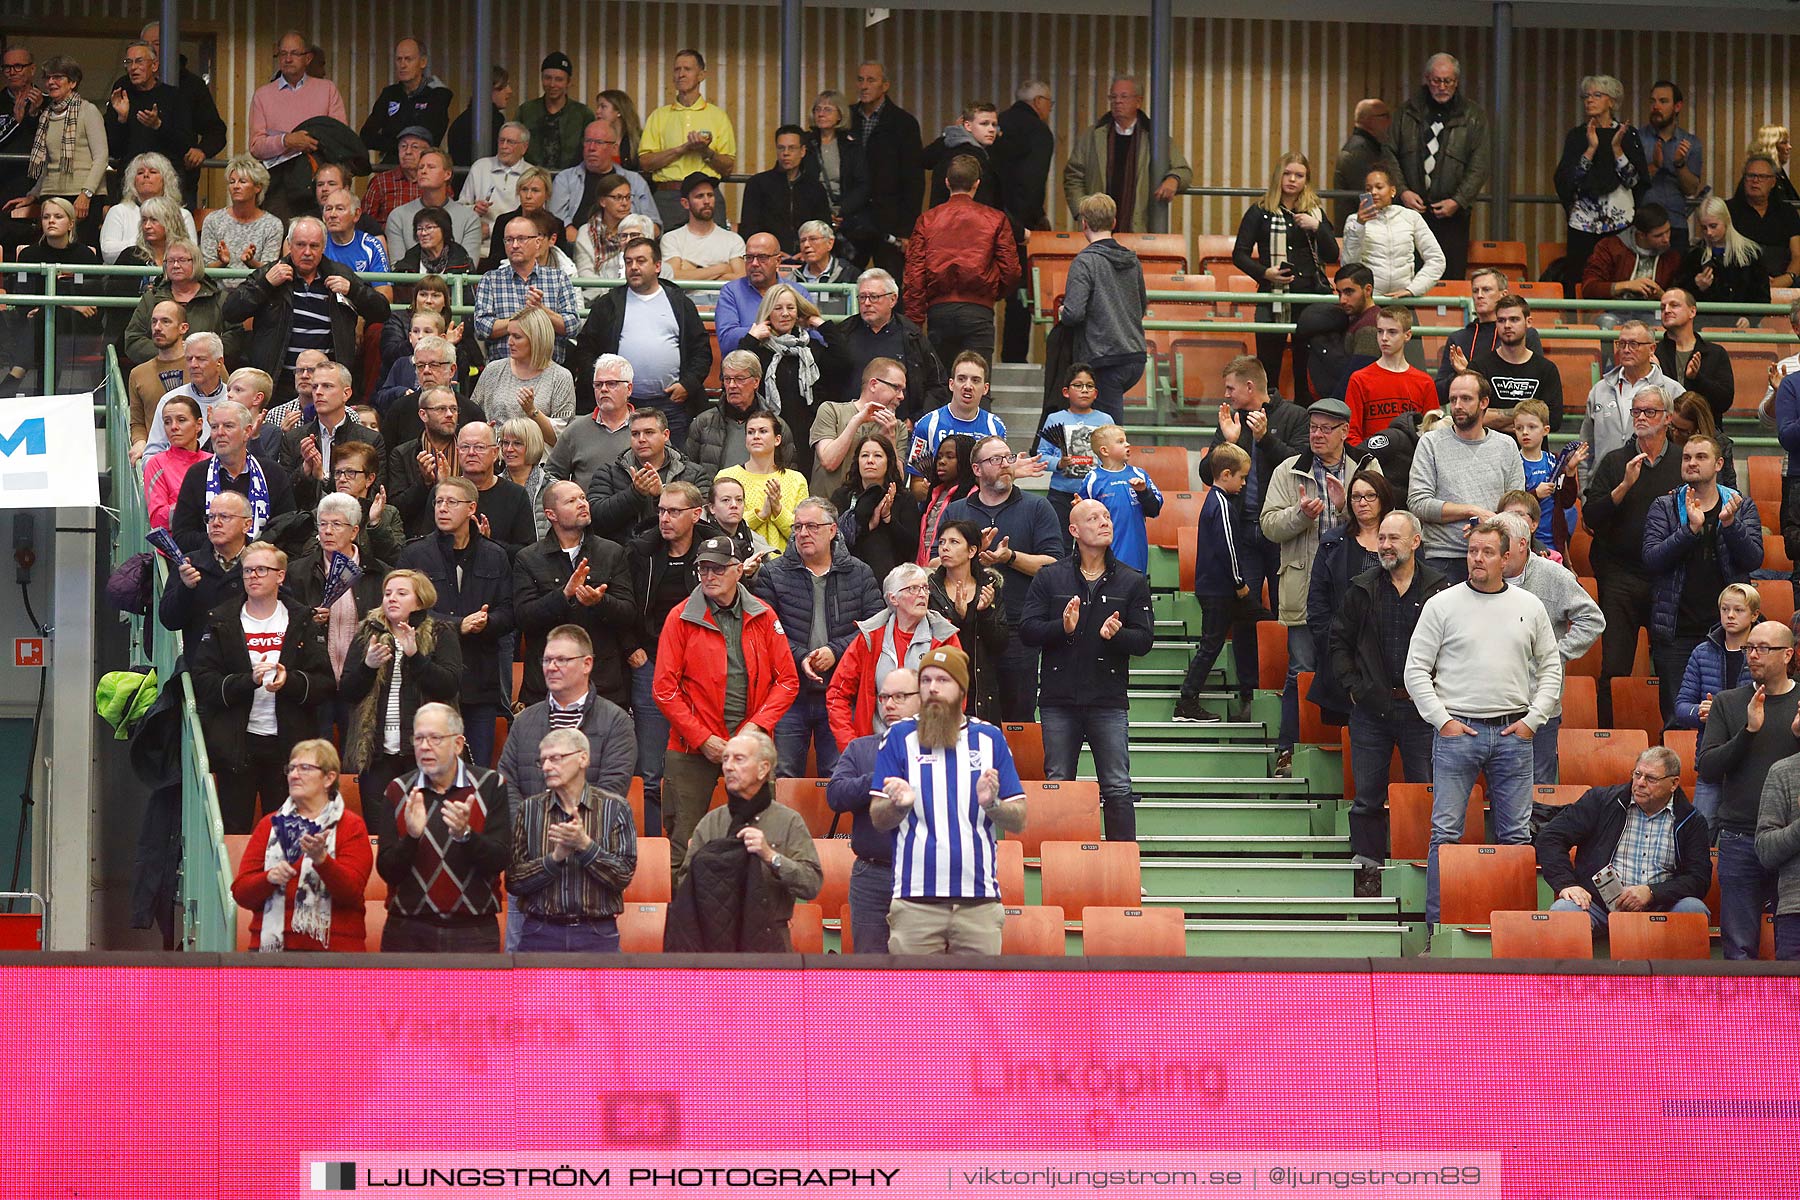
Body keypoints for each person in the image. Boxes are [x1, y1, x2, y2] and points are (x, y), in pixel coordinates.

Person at [1405, 516, 1563, 924]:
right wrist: (1442, 721)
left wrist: (1534, 720)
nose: (1477, 558)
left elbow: (1551, 669)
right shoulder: (1442, 604)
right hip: (1458, 732)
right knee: (1445, 835)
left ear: (1507, 558)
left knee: (1515, 837)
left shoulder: (1530, 606)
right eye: (1473, 551)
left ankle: (1516, 930)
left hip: (1515, 733)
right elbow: (1415, 670)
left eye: (1487, 552)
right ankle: (1436, 930)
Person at [652, 535, 799, 877]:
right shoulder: (680, 618)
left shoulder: (763, 615)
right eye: (703, 567)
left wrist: (756, 727)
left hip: (751, 743)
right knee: (682, 845)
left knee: (762, 839)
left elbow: (788, 680)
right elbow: (663, 688)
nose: (709, 575)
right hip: (691, 748)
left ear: (738, 571)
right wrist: (703, 738)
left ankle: (758, 921)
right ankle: (683, 924)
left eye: (718, 568)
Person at [869, 645, 1027, 955]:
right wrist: (898, 805)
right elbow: (877, 817)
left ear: (962, 690)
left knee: (979, 1003)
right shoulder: (899, 737)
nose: (933, 689)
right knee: (915, 1002)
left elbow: (1020, 818)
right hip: (915, 902)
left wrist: (992, 804)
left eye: (943, 680)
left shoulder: (989, 738)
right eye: (926, 680)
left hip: (978, 903)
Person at [1325, 509, 1447, 893]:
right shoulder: (1361, 588)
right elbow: (1338, 643)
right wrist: (1354, 687)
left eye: (1394, 538)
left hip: (1422, 711)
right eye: (1381, 538)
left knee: (1424, 792)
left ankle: (1423, 869)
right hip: (1372, 710)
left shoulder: (1441, 590)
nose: (1385, 545)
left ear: (1416, 542)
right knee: (1367, 798)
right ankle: (1368, 871)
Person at [1261, 398, 1383, 777]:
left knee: (1361, 669)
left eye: (1326, 428)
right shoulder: (1288, 469)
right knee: (1301, 669)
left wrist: (1344, 507)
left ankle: (1350, 751)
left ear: (1345, 432)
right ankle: (1289, 751)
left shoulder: (1366, 466)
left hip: (1357, 587)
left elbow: (1381, 515)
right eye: (1313, 427)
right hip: (1303, 586)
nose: (1316, 434)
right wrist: (1301, 515)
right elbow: (1268, 525)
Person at [189, 540, 334, 834]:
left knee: (289, 832)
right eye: (247, 571)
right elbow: (203, 681)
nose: (253, 576)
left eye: (261, 570)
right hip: (237, 745)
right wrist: (248, 681)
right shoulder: (222, 620)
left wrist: (289, 680)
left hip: (288, 745)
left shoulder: (300, 619)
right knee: (234, 831)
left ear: (280, 576)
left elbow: (324, 682)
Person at [744, 495, 883, 776]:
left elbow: (875, 627)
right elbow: (764, 630)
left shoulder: (859, 573)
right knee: (782, 776)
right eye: (797, 527)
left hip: (841, 693)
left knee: (840, 774)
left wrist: (835, 651)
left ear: (833, 530)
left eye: (812, 526)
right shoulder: (774, 574)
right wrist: (802, 657)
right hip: (788, 694)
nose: (803, 533)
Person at [1697, 620, 1800, 959]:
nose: (1752, 655)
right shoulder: (1728, 703)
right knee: (1739, 949)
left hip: (1793, 841)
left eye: (1762, 648)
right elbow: (1709, 767)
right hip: (1740, 837)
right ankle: (1743, 1011)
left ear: (1788, 654)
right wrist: (1748, 732)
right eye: (1748, 648)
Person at [373, 702, 511, 953]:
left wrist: (466, 836)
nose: (425, 746)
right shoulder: (398, 790)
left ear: (458, 744)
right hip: (408, 931)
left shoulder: (491, 785)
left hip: (473, 932)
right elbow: (387, 871)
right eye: (419, 738)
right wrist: (412, 838)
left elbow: (499, 860)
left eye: (435, 738)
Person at [397, 477, 518, 764]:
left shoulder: (495, 555)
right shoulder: (415, 554)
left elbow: (510, 611)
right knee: (431, 770)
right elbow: (404, 612)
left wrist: (486, 622)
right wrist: (456, 625)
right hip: (429, 682)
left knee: (478, 773)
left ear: (471, 508)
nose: (442, 508)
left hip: (480, 680)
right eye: (439, 501)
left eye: (452, 502)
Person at [943, 434, 1063, 722]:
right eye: (995, 460)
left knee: (1018, 715)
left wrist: (1009, 558)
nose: (1006, 465)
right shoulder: (957, 511)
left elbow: (1054, 566)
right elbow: (936, 562)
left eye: (1009, 458)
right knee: (965, 714)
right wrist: (969, 554)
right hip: (965, 627)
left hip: (1019, 628)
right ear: (976, 469)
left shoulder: (1037, 508)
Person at [1642, 432, 1761, 722]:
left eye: (1701, 457)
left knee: (1731, 716)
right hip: (1676, 630)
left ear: (1719, 463)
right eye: (1686, 457)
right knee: (1677, 717)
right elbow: (1652, 559)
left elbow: (1753, 558)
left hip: (1728, 632)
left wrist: (1731, 526)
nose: (1691, 463)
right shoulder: (1665, 506)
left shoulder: (1739, 505)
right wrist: (1688, 531)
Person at [669, 729, 821, 951]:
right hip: (715, 945)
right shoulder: (710, 823)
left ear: (763, 769)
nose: (729, 767)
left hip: (770, 943)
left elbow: (811, 885)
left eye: (739, 759)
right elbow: (684, 884)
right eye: (725, 759)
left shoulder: (788, 821)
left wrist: (771, 856)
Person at [1583, 385, 1683, 725]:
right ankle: (1607, 736)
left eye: (1649, 412)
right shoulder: (1615, 461)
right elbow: (1591, 518)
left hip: (1667, 577)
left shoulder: (1683, 462)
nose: (1640, 417)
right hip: (1620, 577)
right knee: (1613, 667)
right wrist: (1623, 486)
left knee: (1672, 667)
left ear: (1667, 418)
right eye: (1636, 411)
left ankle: (1673, 736)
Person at [1537, 745, 1713, 932]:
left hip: (1662, 908)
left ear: (1674, 783)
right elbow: (1550, 837)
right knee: (1564, 911)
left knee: (1693, 910)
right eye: (1637, 774)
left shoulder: (1692, 821)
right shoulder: (1601, 801)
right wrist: (1567, 884)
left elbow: (1698, 879)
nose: (1640, 783)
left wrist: (1652, 893)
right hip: (1598, 906)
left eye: (1651, 778)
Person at [222, 216, 391, 404]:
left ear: (323, 248)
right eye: (301, 245)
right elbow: (230, 312)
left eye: (314, 246)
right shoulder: (270, 274)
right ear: (289, 245)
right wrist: (265, 284)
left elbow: (382, 312)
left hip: (327, 385)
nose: (307, 252)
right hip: (278, 381)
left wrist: (354, 290)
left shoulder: (340, 274)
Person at [231, 738, 373, 952]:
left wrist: (322, 861)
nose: (294, 775)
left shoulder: (351, 826)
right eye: (291, 768)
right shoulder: (269, 825)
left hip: (335, 954)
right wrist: (268, 878)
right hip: (272, 953)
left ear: (329, 778)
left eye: (305, 768)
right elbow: (241, 892)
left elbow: (351, 893)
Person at [1495, 506, 1603, 786]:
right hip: (1492, 703)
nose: (1496, 552)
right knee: (1501, 787)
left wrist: (1556, 653)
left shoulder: (1553, 576)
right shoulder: (1484, 577)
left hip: (1540, 703)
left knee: (1538, 788)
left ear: (1522, 544)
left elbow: (1592, 619)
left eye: (1502, 544)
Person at [623, 480, 707, 837]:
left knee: (698, 763)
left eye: (674, 511)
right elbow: (625, 603)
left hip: (701, 666)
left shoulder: (713, 553)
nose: (665, 518)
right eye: (661, 511)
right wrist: (631, 647)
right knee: (651, 768)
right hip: (653, 662)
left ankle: (696, 841)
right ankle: (657, 844)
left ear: (696, 514)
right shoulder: (641, 552)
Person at [505, 725, 636, 953]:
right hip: (540, 932)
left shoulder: (615, 808)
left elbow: (623, 875)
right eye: (542, 761)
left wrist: (585, 846)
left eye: (555, 758)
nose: (546, 767)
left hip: (597, 933)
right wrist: (555, 859)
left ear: (583, 758)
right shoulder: (529, 810)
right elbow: (514, 881)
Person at [569, 236, 711, 444]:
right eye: (628, 262)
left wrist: (688, 384)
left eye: (640, 261)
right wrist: (606, 386)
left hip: (672, 405)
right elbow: (585, 350)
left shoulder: (679, 303)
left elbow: (701, 350)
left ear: (657, 266)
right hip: (621, 407)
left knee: (675, 467)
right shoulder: (608, 304)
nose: (633, 267)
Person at [339, 567, 463, 804]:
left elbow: (449, 686)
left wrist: (415, 656)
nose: (391, 598)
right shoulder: (368, 632)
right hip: (376, 753)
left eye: (401, 593)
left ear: (420, 601)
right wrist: (368, 666)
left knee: (425, 827)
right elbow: (347, 691)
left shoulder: (440, 631)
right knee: (380, 831)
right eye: (387, 593)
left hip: (424, 751)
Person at [511, 481, 637, 712]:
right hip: (546, 687)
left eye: (583, 498)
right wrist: (564, 595)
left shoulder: (612, 552)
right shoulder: (528, 559)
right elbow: (523, 617)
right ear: (551, 514)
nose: (582, 504)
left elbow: (629, 613)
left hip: (603, 685)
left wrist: (600, 602)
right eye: (571, 501)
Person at [498, 623, 637, 821]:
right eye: (547, 660)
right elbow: (507, 783)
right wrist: (531, 829)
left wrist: (570, 831)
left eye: (562, 660)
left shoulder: (616, 722)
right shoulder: (524, 721)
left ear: (587, 664)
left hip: (590, 842)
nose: (551, 667)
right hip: (530, 842)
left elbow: (612, 790)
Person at [827, 666, 920, 952]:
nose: (889, 704)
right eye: (883, 697)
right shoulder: (861, 749)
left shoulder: (942, 751)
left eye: (900, 696)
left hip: (923, 874)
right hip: (871, 875)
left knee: (922, 974)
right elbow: (835, 796)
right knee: (870, 973)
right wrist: (875, 779)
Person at [1234, 153, 1339, 403]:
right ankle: (1267, 419)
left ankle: (1306, 420)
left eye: (1299, 175)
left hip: (1311, 297)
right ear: (1278, 176)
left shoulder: (1315, 212)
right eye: (1287, 173)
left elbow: (1332, 254)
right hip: (1274, 295)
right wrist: (1264, 272)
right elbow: (1239, 254)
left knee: (1307, 366)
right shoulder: (1260, 211)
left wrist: (1317, 227)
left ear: (1307, 180)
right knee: (1268, 366)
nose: (1292, 180)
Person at [827, 560, 961, 753]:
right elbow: (837, 694)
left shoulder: (944, 636)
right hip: (877, 748)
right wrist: (853, 746)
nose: (922, 594)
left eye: (925, 588)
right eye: (913, 589)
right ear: (893, 598)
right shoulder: (870, 637)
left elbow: (956, 694)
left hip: (930, 748)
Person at [1208, 355, 1308, 607]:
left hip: (1281, 530)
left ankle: (1278, 649)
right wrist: (1228, 443)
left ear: (1250, 387)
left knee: (1284, 606)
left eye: (1230, 388)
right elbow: (1206, 474)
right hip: (1241, 529)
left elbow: (1301, 467)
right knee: (1244, 608)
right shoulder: (1232, 419)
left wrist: (1265, 439)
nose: (1226, 394)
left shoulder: (1295, 416)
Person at [904, 154, 1020, 369]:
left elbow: (914, 275)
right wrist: (992, 293)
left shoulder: (927, 220)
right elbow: (1011, 270)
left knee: (941, 384)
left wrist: (915, 322)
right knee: (977, 383)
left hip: (940, 312)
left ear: (947, 182)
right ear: (977, 183)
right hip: (979, 310)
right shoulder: (996, 219)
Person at [1409, 371, 1525, 584]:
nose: (1457, 405)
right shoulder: (1430, 443)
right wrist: (1472, 511)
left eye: (1466, 399)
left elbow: (1517, 509)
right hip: (1443, 558)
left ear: (1484, 402)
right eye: (1453, 400)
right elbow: (1418, 503)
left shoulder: (1506, 445)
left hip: (1493, 556)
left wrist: (1487, 525)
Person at [286, 491, 390, 731]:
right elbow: (288, 623)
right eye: (322, 524)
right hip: (316, 680)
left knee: (355, 759)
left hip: (361, 680)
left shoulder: (378, 573)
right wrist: (308, 618)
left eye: (336, 524)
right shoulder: (299, 572)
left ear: (354, 531)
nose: (327, 531)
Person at [1172, 442, 1256, 725]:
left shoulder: (1218, 501)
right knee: (1211, 644)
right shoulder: (1220, 503)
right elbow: (1227, 547)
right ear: (1226, 474)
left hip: (1214, 586)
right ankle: (1187, 700)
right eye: (1242, 477)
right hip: (1219, 588)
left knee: (1218, 639)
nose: (1244, 483)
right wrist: (1239, 582)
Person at [1386, 53, 1490, 280]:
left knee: (1450, 278)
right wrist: (1403, 192)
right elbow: (1389, 154)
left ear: (1457, 82)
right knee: (1408, 276)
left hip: (1453, 215)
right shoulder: (1406, 112)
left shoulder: (1473, 116)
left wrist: (1458, 200)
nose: (1442, 87)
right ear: (1426, 79)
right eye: (1436, 81)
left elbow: (1479, 165)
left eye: (1448, 81)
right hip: (1410, 211)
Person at [735, 283, 851, 481]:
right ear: (768, 313)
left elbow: (845, 362)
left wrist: (821, 324)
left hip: (808, 437)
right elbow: (735, 373)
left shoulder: (811, 349)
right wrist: (752, 338)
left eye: (790, 308)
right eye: (778, 308)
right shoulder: (759, 351)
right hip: (769, 435)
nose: (785, 314)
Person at [1671, 582, 1758, 828]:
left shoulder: (1761, 652)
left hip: (1752, 762)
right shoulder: (1702, 652)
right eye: (1725, 609)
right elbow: (1681, 707)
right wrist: (1699, 711)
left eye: (1738, 610)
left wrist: (1722, 713)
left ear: (1754, 615)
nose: (1730, 616)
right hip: (1711, 759)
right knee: (1700, 833)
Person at [1059, 75, 1191, 234]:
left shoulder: (1154, 136)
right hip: (1097, 229)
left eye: (1124, 96)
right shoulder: (1093, 136)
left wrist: (1174, 179)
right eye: (1113, 97)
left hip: (1139, 228)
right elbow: (1073, 176)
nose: (1117, 101)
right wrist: (1082, 211)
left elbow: (1184, 170)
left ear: (1138, 101)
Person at [1058, 193, 1147, 423]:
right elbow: (1141, 306)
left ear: (1084, 223)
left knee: (1108, 432)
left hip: (1103, 357)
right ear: (1114, 222)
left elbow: (1074, 313)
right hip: (1134, 355)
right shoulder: (1132, 260)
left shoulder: (1085, 262)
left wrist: (1062, 312)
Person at [1553, 75, 1650, 284]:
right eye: (1586, 96)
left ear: (1612, 101)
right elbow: (1568, 181)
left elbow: (1634, 181)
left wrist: (1616, 149)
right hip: (1583, 225)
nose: (1589, 100)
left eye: (1597, 95)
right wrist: (1590, 149)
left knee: (1618, 278)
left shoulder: (1628, 135)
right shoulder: (1577, 136)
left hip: (1620, 224)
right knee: (1580, 281)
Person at [169, 400, 296, 553]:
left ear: (247, 432)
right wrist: (224, 541)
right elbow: (182, 536)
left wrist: (247, 547)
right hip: (209, 569)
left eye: (228, 426)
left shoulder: (272, 473)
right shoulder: (197, 474)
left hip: (263, 567)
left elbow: (287, 529)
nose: (219, 433)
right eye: (214, 427)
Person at [3, 56, 105, 246]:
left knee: (80, 250)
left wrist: (86, 194)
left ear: (73, 82)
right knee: (53, 252)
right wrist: (32, 195)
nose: (51, 82)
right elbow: (48, 164)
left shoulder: (87, 111)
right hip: (51, 194)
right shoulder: (46, 115)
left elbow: (101, 158)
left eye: (58, 77)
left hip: (82, 196)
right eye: (48, 77)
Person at [247, 32, 348, 220]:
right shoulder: (263, 95)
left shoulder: (327, 90)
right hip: (277, 185)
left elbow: (340, 137)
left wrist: (311, 142)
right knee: (282, 239)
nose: (287, 59)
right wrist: (286, 141)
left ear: (307, 58)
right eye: (283, 53)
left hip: (319, 181)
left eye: (294, 53)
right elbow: (256, 147)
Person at [635, 49, 737, 231]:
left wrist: (705, 151)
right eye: (676, 69)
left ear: (701, 75)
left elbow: (728, 166)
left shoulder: (718, 116)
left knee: (713, 255)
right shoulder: (659, 116)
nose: (680, 74)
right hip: (668, 196)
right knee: (666, 254)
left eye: (687, 69)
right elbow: (645, 162)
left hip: (707, 195)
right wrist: (681, 149)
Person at [993, 81, 1055, 362]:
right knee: (1019, 293)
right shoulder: (1039, 132)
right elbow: (1032, 183)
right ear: (1039, 102)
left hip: (987, 219)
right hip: (1017, 225)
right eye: (1050, 105)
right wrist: (1031, 221)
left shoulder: (997, 124)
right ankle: (1013, 357)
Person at [587, 408, 714, 541]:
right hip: (625, 555)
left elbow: (703, 522)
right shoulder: (608, 473)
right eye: (635, 434)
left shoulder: (694, 474)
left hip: (679, 555)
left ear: (666, 435)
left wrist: (661, 496)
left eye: (649, 432)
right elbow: (596, 520)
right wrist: (635, 494)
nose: (641, 439)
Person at [277, 359, 384, 513]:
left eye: (327, 386)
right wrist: (305, 470)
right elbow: (285, 496)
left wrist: (322, 478)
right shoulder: (294, 438)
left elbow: (374, 494)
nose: (318, 392)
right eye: (315, 387)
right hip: (305, 525)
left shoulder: (370, 440)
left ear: (346, 394)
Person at [849, 61, 924, 280]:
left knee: (891, 284)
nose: (864, 86)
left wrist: (907, 230)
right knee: (846, 280)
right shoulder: (846, 119)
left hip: (890, 219)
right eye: (860, 79)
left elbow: (914, 179)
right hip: (854, 219)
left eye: (871, 80)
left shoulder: (903, 123)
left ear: (885, 85)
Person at [472, 214, 576, 366]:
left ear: (538, 243)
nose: (514, 245)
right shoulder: (490, 279)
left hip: (548, 368)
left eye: (521, 239)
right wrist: (520, 320)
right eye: (509, 240)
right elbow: (481, 328)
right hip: (503, 369)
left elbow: (572, 326)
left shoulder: (558, 278)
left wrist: (541, 311)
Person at [1578, 320, 1679, 474]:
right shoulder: (1600, 390)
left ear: (1652, 349)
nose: (1625, 350)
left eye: (1633, 344)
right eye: (1622, 344)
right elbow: (1586, 446)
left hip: (1655, 481)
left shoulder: (1672, 390)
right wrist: (1585, 491)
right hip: (1603, 485)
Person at [1034, 363, 1114, 545]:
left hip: (1097, 494)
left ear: (1096, 393)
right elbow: (1042, 455)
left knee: (1095, 543)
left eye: (1089, 386)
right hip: (1061, 495)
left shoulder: (1105, 420)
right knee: (1059, 544)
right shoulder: (1055, 419)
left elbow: (1114, 456)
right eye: (1078, 385)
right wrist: (1059, 463)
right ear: (1066, 392)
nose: (1084, 390)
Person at [159, 490, 249, 650]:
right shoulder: (189, 564)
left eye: (225, 517)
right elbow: (169, 620)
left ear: (247, 525)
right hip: (202, 666)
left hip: (251, 665)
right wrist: (185, 588)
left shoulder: (263, 563)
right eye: (211, 517)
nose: (215, 523)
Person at [1342, 164, 1446, 299]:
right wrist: (1360, 225)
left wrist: (1413, 290)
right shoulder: (1354, 220)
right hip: (1369, 301)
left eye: (1379, 187)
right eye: (1368, 189)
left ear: (1392, 191)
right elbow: (1349, 266)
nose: (1373, 192)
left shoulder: (1411, 217)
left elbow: (1436, 259)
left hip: (1404, 299)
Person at [472, 305, 574, 442]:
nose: (509, 342)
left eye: (517, 337)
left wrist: (532, 411)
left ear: (536, 339)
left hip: (540, 459)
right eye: (509, 335)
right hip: (495, 457)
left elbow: (562, 440)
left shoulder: (561, 377)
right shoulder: (493, 370)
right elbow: (473, 416)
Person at [1465, 294, 1561, 434]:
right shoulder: (1478, 367)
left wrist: (1494, 417)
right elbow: (1472, 416)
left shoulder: (1546, 369)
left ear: (1528, 322)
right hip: (1489, 452)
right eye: (1501, 320)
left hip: (1531, 455)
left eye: (1514, 319)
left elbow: (1553, 420)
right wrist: (1531, 418)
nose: (1507, 325)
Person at [1075, 425, 1163, 575]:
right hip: (1103, 555)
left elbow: (1154, 510)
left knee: (1134, 589)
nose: (1127, 444)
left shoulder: (1139, 474)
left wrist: (1143, 492)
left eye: (1126, 441)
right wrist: (1079, 508)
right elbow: (1083, 518)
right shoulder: (1093, 479)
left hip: (1135, 553)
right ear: (1104, 451)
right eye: (1120, 441)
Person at [713, 414, 808, 553]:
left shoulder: (796, 479)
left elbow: (804, 533)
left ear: (777, 439)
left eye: (763, 431)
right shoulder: (726, 476)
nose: (756, 436)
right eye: (750, 432)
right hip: (741, 561)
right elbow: (721, 528)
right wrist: (761, 515)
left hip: (788, 565)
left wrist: (778, 510)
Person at [906, 353, 1007, 482]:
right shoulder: (927, 424)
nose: (968, 386)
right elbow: (917, 484)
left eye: (975, 380)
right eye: (961, 379)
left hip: (980, 501)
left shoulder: (995, 427)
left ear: (985, 388)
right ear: (951, 384)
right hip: (938, 500)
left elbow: (997, 478)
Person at [834, 435, 921, 584]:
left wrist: (887, 518)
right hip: (848, 576)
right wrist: (867, 526)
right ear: (857, 461)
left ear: (889, 462)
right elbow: (834, 541)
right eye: (865, 455)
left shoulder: (904, 498)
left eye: (878, 456)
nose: (870, 461)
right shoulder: (842, 496)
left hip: (893, 578)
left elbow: (910, 548)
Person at [713, 233, 814, 358]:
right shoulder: (731, 291)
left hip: (789, 368)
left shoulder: (798, 292)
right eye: (749, 257)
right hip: (745, 371)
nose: (754, 263)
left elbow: (814, 338)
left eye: (762, 257)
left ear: (778, 261)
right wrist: (770, 329)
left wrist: (763, 332)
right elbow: (727, 341)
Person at [1677, 195, 1773, 327]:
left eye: (1713, 226)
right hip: (1703, 325)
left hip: (1741, 325)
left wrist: (1750, 318)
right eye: (1704, 228)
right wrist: (1695, 286)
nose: (1709, 232)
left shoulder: (1751, 254)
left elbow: (1763, 297)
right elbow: (1679, 295)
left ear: (1726, 221)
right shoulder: (1694, 254)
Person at [1345, 307, 1436, 445]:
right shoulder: (1360, 379)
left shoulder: (1424, 382)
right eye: (1380, 331)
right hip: (1371, 462)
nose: (1384, 338)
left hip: (1413, 462)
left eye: (1392, 332)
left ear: (1407, 335)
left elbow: (1433, 432)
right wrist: (1367, 460)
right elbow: (1351, 433)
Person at [550, 117, 658, 234]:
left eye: (599, 142)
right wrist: (571, 231)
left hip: (626, 242)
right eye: (588, 141)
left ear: (614, 148)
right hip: (576, 242)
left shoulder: (635, 181)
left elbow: (655, 226)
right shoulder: (565, 179)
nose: (591, 148)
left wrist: (635, 234)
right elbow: (555, 219)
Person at [739, 124, 832, 254]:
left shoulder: (815, 187)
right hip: (767, 256)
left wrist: (806, 252)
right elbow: (749, 228)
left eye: (792, 148)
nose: (786, 153)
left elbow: (823, 229)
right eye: (781, 148)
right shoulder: (758, 184)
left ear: (803, 151)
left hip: (808, 256)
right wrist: (772, 252)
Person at [1636, 81, 1703, 257]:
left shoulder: (1691, 143)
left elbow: (1691, 190)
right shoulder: (1636, 139)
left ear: (1677, 106)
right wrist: (1655, 166)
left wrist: (1680, 164)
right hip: (1643, 227)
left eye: (1663, 101)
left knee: (1676, 281)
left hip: (1675, 226)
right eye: (1653, 101)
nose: (1656, 106)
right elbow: (1629, 182)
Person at [358, 38, 452, 161]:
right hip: (391, 166)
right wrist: (399, 145)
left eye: (408, 59)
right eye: (399, 59)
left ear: (423, 62)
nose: (403, 65)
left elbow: (431, 139)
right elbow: (366, 136)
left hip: (422, 165)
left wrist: (392, 140)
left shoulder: (437, 95)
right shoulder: (389, 94)